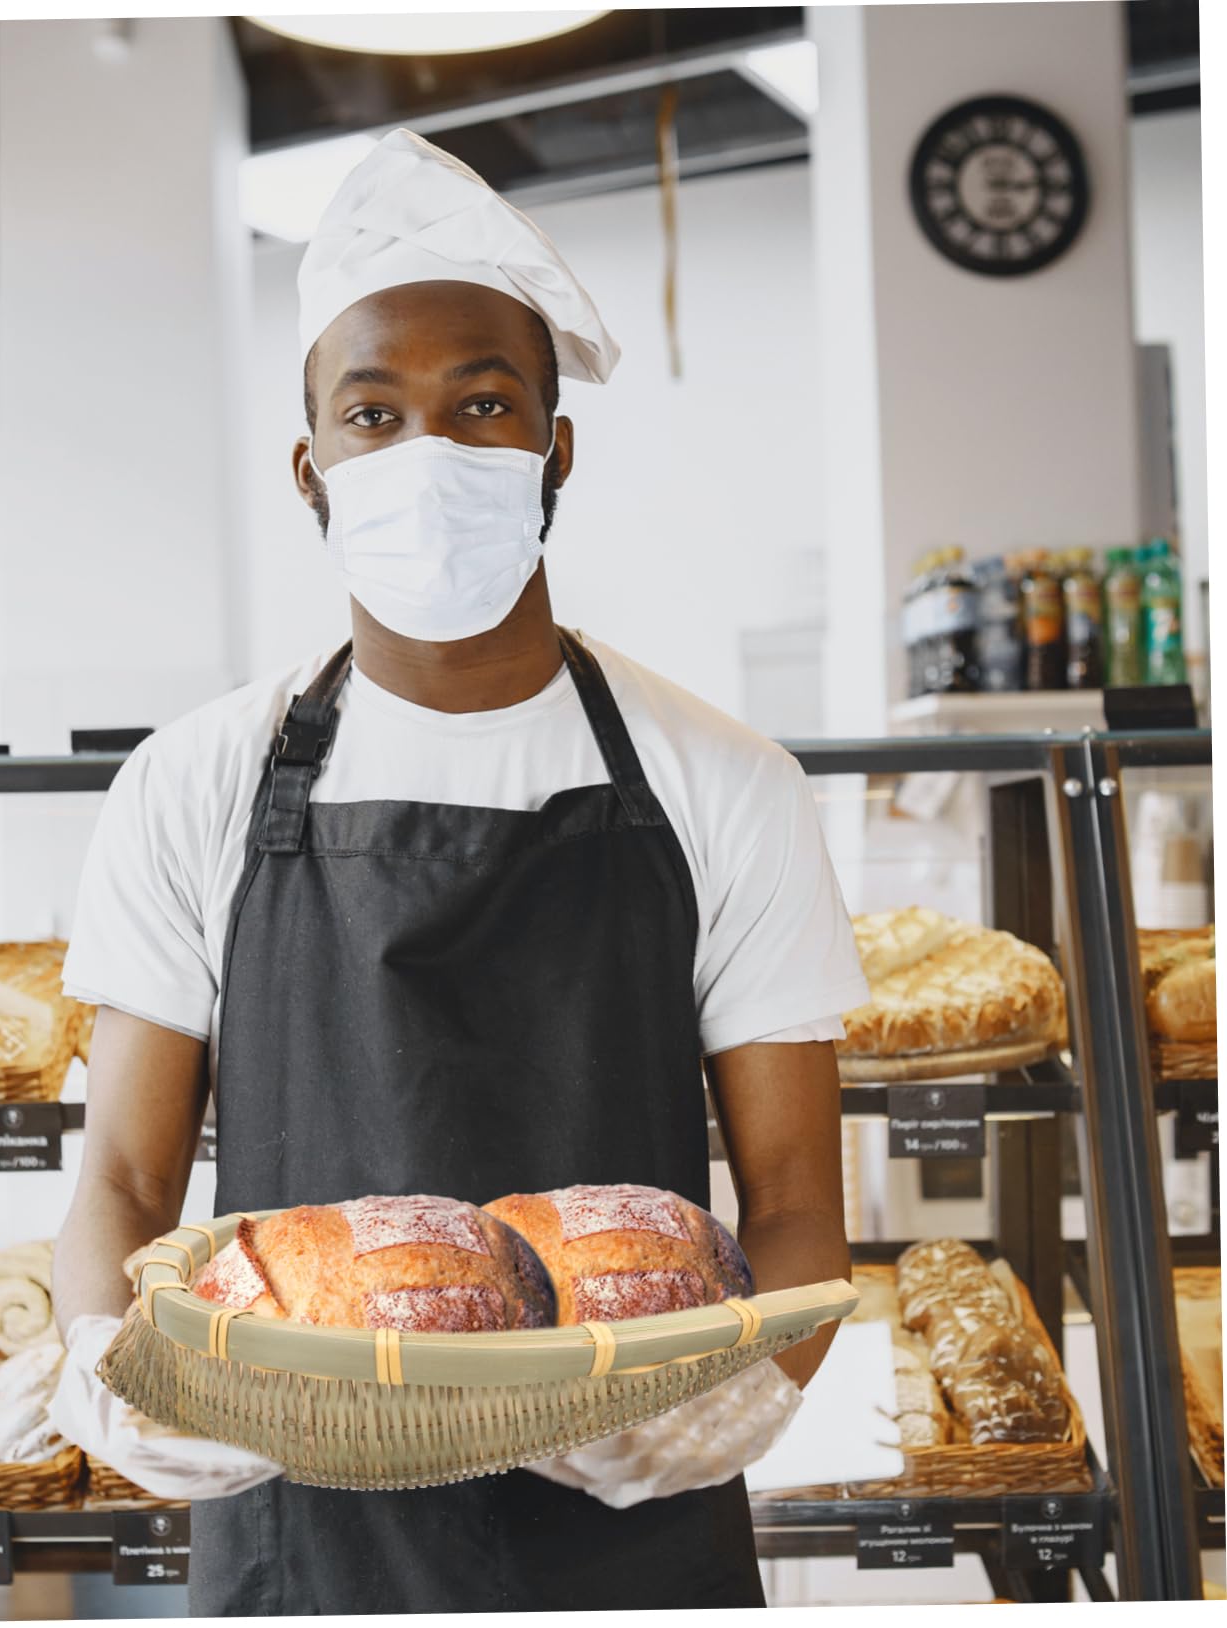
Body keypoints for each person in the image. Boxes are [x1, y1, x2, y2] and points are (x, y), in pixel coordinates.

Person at [51, 128, 870, 1614]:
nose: (426, 453)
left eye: (482, 404)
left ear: (555, 448)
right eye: (374, 414)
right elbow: (121, 1174)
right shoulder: (195, 784)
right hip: (299, 1513)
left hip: (637, 1506)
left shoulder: (726, 784)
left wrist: (755, 1380)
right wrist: (108, 1355)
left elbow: (801, 1191)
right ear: (312, 470)